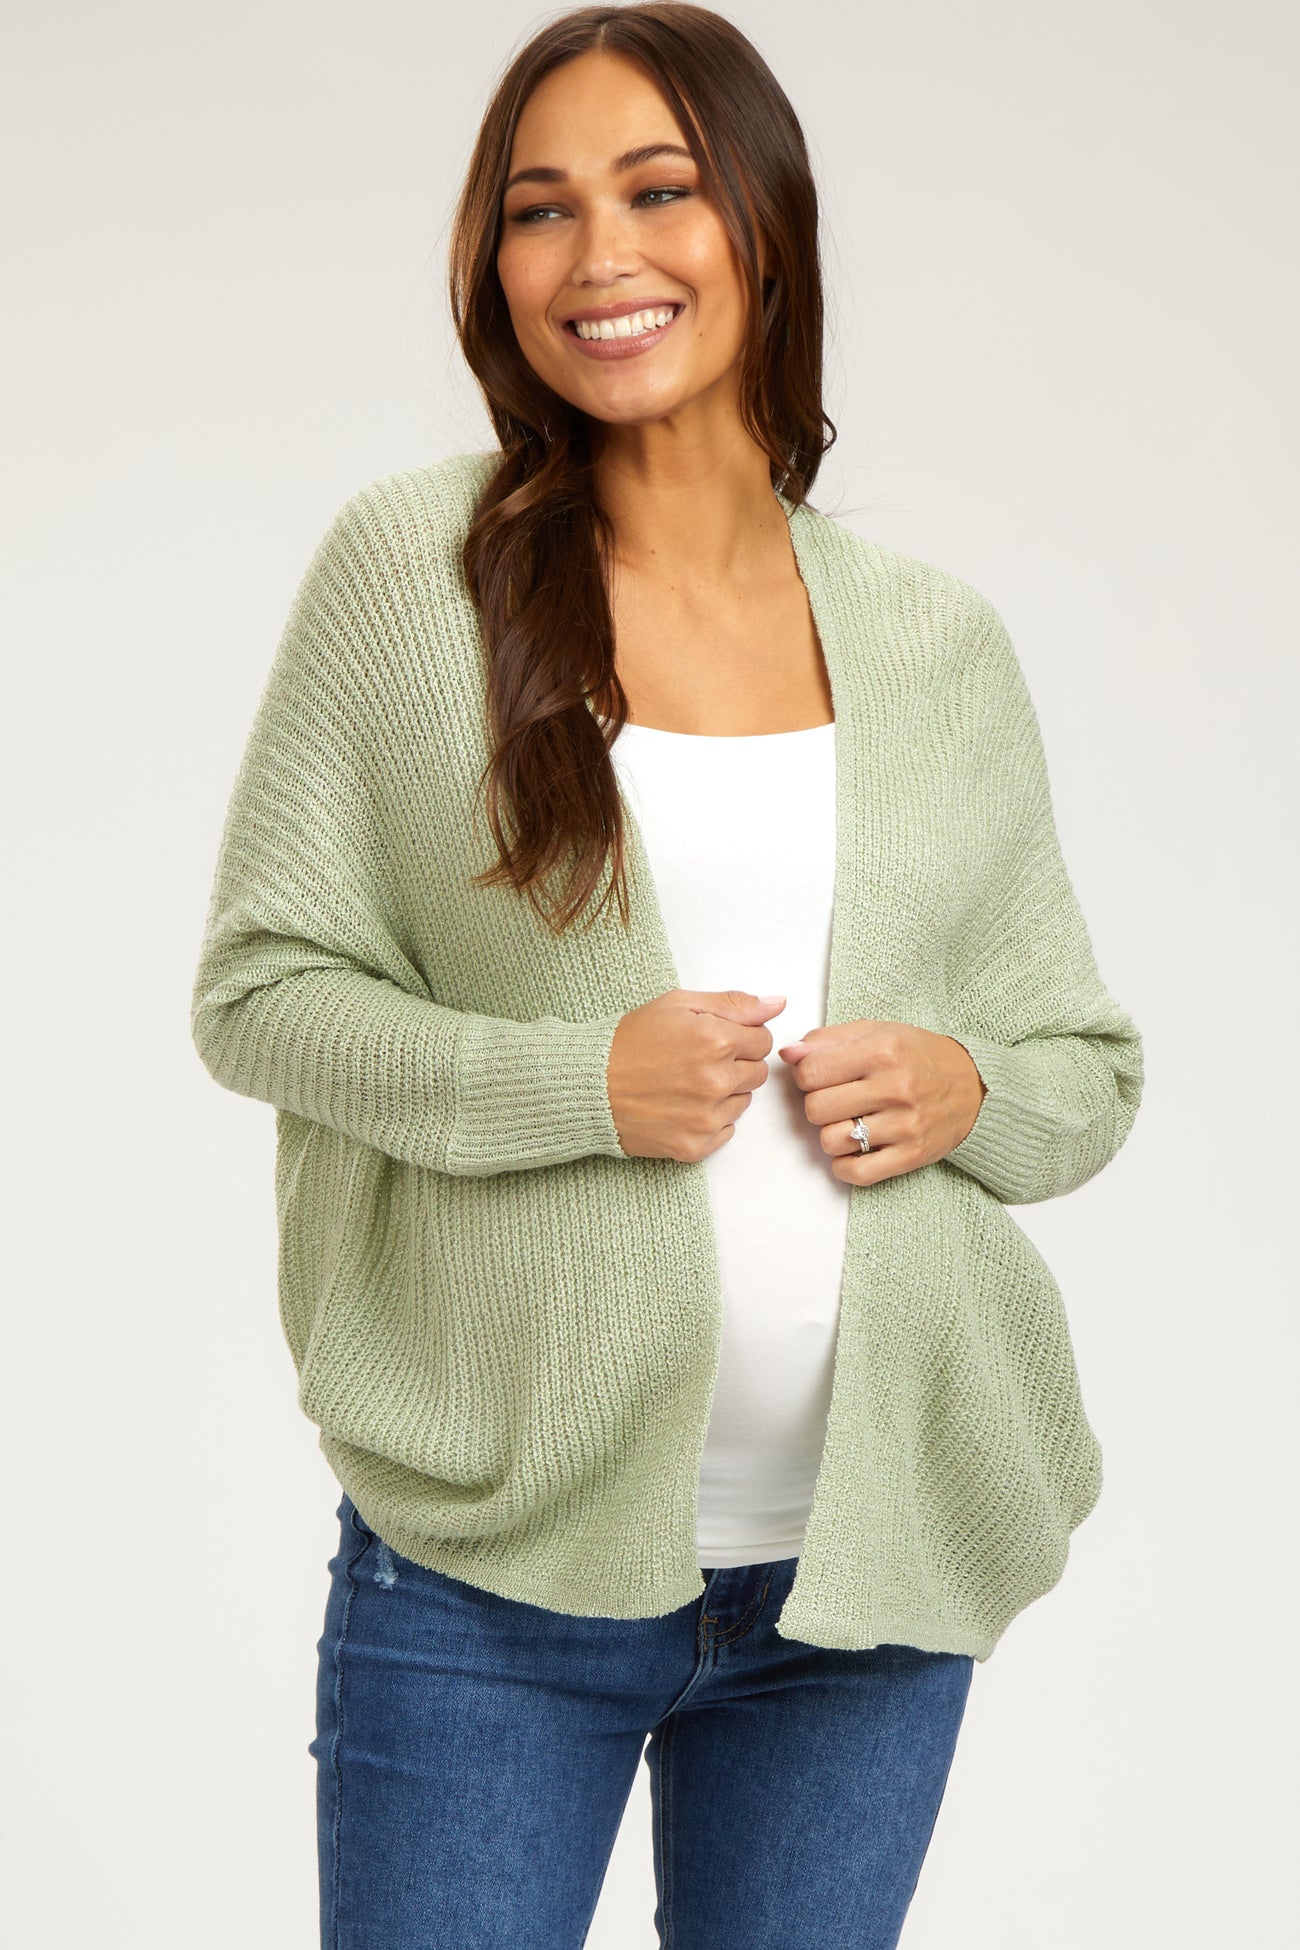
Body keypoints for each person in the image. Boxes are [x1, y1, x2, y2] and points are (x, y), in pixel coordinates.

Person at [190, 5, 1144, 1945]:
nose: (597, 256)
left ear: (761, 227)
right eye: (538, 209)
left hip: (867, 1581)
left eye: (656, 190)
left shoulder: (933, 644)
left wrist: (967, 1085)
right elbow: (262, 992)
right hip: (488, 1580)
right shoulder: (415, 576)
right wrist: (576, 1084)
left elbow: (1084, 1069)